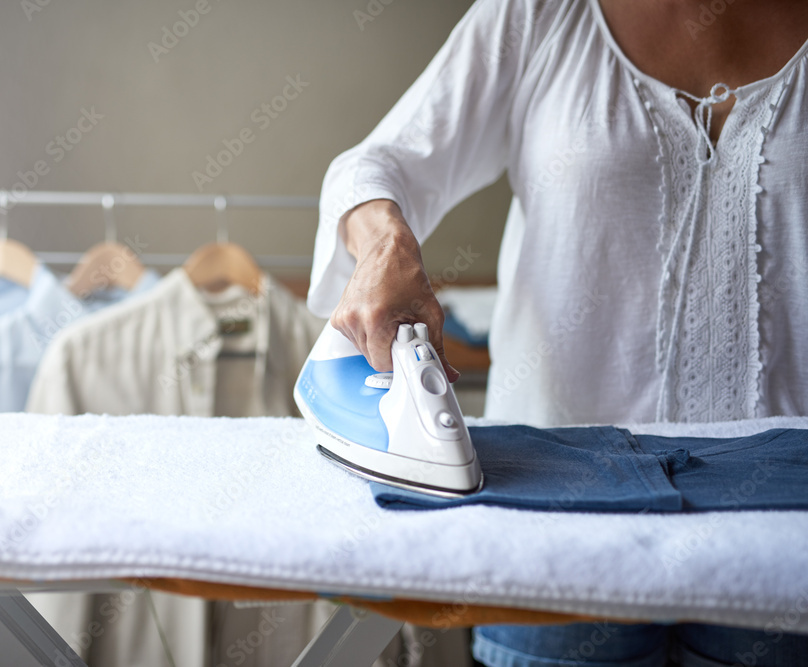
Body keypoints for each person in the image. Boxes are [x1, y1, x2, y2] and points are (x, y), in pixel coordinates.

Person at [306, 0, 808, 664]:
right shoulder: (538, 16)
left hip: (786, 528)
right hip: (554, 522)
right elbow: (373, 165)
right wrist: (385, 248)